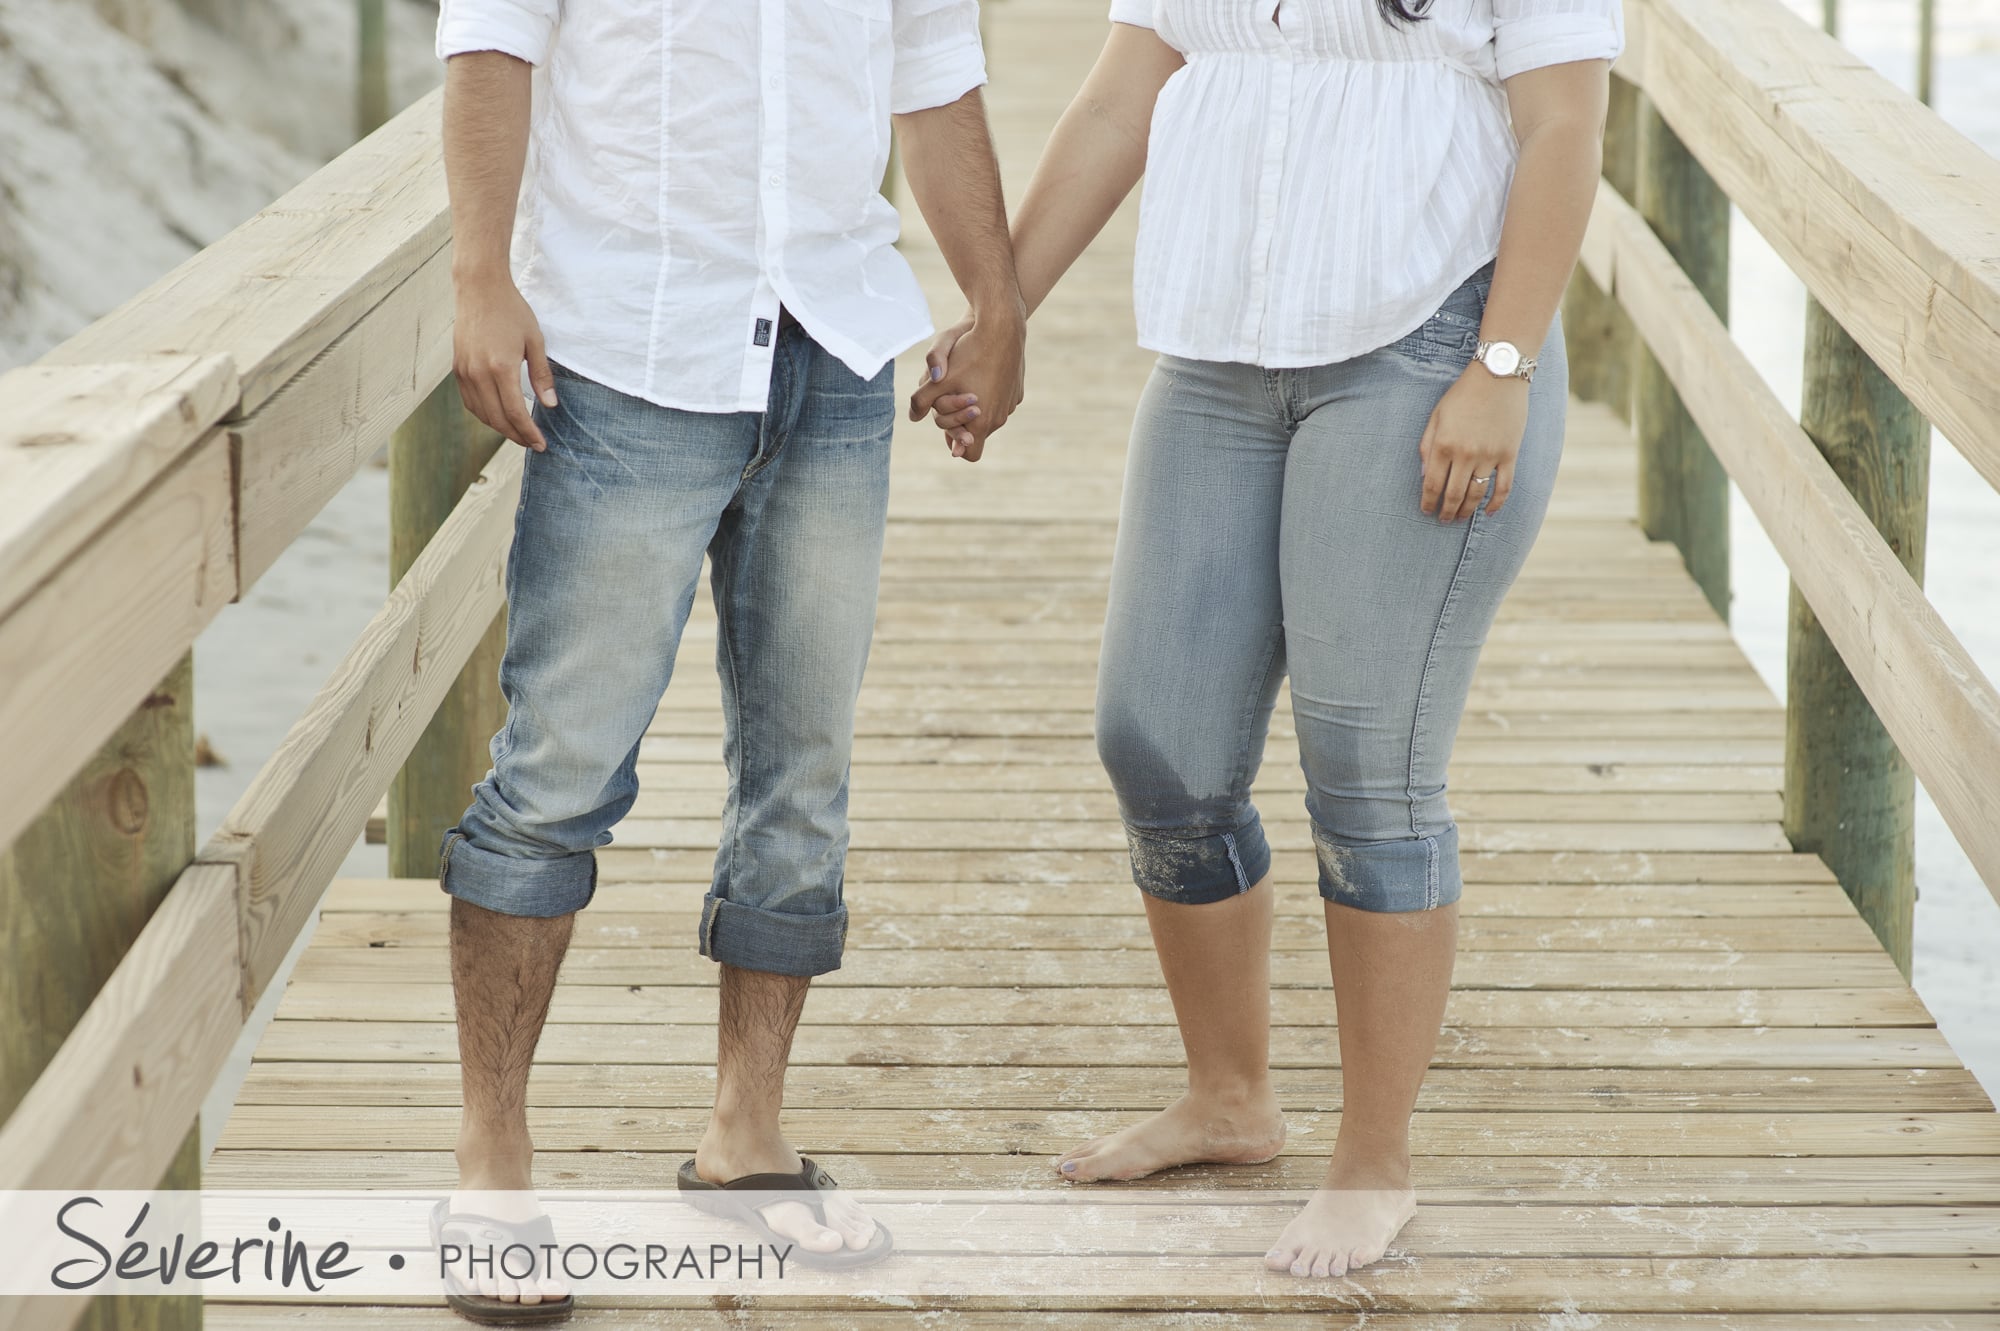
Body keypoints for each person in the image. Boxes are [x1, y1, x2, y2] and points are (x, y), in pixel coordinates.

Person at [914, 0, 1621, 1282]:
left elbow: (1563, 119)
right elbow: (1119, 99)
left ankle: (1372, 1161)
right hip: (1217, 348)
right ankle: (1227, 1100)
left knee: (1368, 767)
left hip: (1426, 341)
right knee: (1158, 742)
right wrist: (1000, 305)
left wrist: (1501, 366)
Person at [431, 0, 1026, 1319]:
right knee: (555, 772)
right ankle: (492, 1163)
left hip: (835, 347)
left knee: (802, 775)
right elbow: (491, 40)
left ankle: (747, 1135)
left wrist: (997, 300)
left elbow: (932, 78)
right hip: (627, 348)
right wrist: (481, 272)